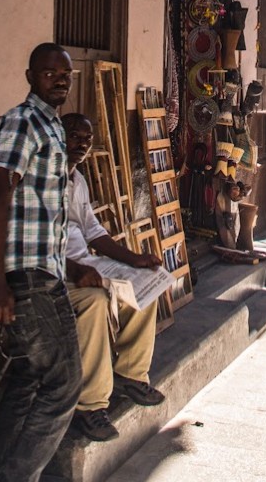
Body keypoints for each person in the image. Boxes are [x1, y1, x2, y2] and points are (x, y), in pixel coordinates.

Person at [0, 44, 82, 482]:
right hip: (27, 273)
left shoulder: (53, 126)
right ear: (29, 76)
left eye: (65, 73)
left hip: (49, 271)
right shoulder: (22, 122)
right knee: (62, 384)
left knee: (28, 378)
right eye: (48, 72)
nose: (58, 79)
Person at [63, 113, 166, 443]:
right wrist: (74, 269)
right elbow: (27, 242)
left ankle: (129, 373)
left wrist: (135, 259)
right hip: (56, 272)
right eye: (74, 136)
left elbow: (93, 232)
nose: (82, 144)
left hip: (87, 264)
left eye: (87, 139)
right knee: (95, 301)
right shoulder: (38, 181)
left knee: (146, 282)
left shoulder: (76, 180)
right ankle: (89, 405)